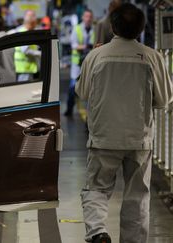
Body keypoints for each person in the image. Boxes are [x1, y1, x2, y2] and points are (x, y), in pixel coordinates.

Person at [76, 3, 173, 243]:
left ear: (112, 26)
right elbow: (164, 99)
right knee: (137, 196)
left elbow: (83, 92)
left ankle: (98, 232)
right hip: (139, 138)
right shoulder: (152, 57)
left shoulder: (96, 56)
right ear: (141, 28)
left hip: (103, 136)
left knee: (96, 187)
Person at [64, 9, 94, 116]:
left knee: (91, 89)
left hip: (90, 64)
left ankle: (90, 114)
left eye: (90, 17)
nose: (88, 19)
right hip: (77, 64)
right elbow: (74, 46)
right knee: (73, 88)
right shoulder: (77, 29)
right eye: (86, 16)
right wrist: (87, 46)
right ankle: (69, 109)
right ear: (83, 17)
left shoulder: (94, 29)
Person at [13, 10, 41, 82]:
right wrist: (41, 54)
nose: (36, 23)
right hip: (25, 69)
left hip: (28, 68)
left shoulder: (28, 30)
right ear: (30, 21)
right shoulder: (24, 31)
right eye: (34, 21)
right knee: (24, 90)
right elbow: (26, 50)